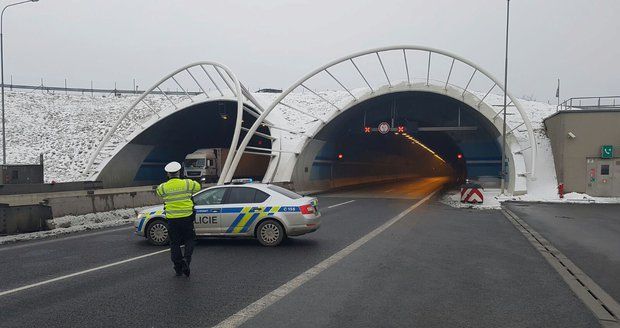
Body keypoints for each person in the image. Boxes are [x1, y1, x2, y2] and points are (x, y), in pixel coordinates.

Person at [156, 161, 201, 277]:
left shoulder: (163, 187)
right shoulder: (187, 184)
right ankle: (186, 259)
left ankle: (178, 267)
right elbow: (198, 187)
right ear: (179, 172)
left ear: (167, 174)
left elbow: (158, 193)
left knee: (174, 243)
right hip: (187, 218)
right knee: (189, 240)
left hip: (172, 219)